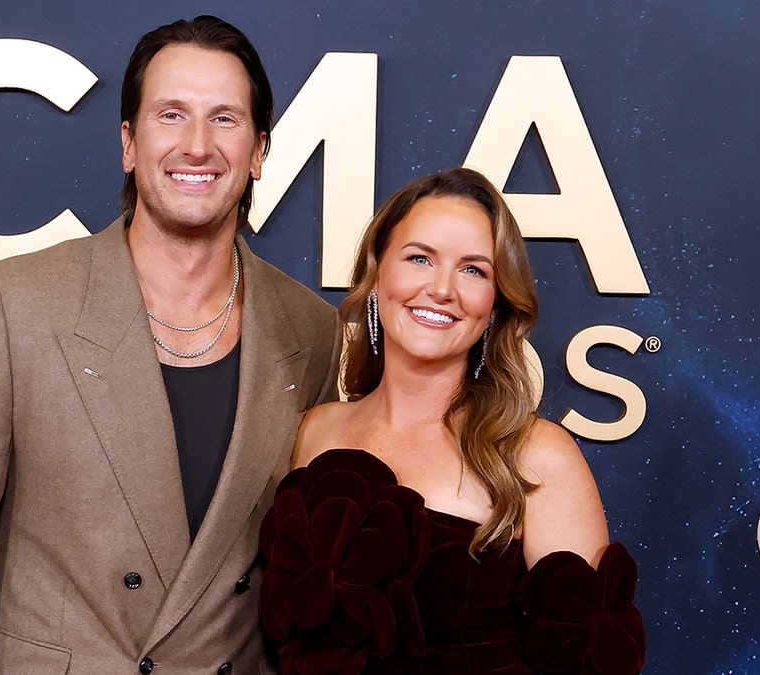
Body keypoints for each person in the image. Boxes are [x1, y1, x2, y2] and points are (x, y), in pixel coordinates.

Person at [0, 16, 340, 674]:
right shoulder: (13, 304)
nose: (197, 145)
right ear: (129, 141)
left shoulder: (312, 331)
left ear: (261, 149)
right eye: (171, 114)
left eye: (226, 120)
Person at [258, 168, 645, 674]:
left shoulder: (535, 455)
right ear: (377, 276)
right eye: (419, 258)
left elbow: (594, 663)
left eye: (473, 270)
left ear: (495, 303)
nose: (441, 288)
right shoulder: (309, 432)